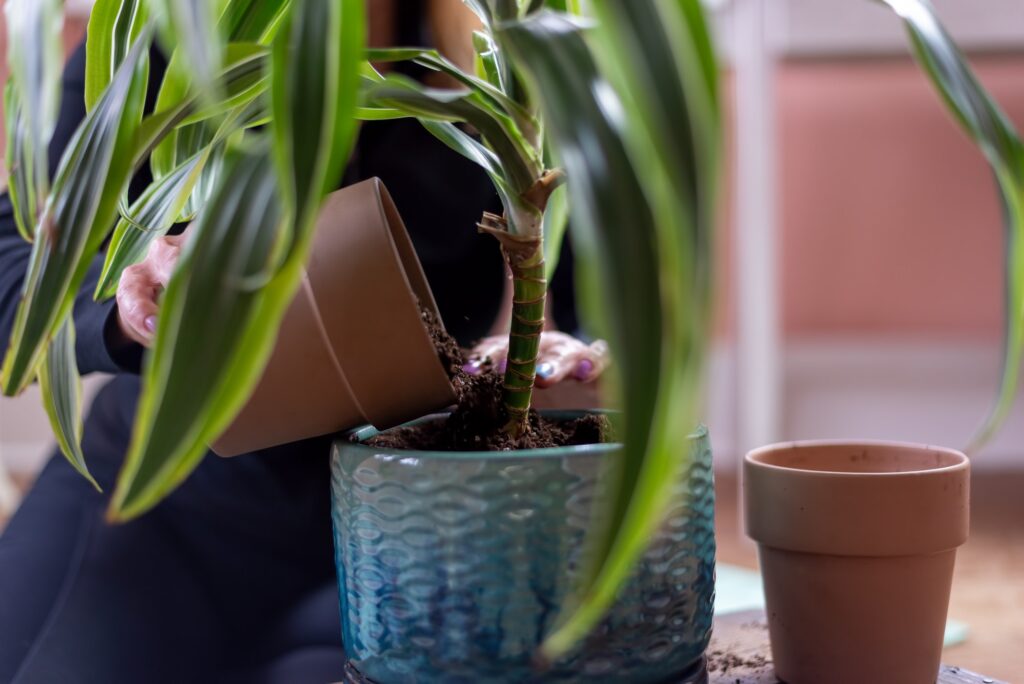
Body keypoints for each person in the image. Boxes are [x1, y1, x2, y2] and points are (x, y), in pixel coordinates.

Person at [0, 3, 607, 683]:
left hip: (399, 524)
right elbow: (14, 266)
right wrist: (129, 301)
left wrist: (561, 361)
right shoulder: (174, 34)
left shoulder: (508, 48)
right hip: (165, 499)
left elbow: (602, 320)